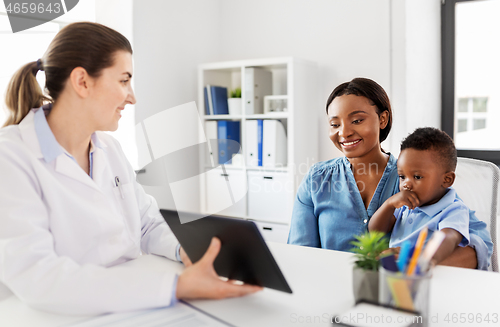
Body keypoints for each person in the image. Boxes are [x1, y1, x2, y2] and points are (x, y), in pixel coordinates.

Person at [0, 22, 261, 315]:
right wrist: (175, 287)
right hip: (56, 315)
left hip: (131, 299)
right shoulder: (11, 156)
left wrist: (187, 248)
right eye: (124, 81)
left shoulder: (109, 149)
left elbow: (146, 223)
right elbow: (39, 277)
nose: (132, 96)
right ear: (82, 82)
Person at [287, 77, 493, 270]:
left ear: (382, 119)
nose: (344, 132)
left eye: (357, 120)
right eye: (334, 124)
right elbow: (298, 253)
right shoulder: (318, 178)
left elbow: (478, 245)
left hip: (394, 294)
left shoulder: (413, 179)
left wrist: (415, 260)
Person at [368, 127, 469, 264]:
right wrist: (389, 204)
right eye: (402, 176)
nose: (406, 184)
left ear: (447, 180)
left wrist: (420, 256)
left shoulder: (454, 210)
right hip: (394, 270)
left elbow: (448, 239)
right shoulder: (405, 206)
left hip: (423, 273)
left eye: (417, 176)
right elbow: (375, 231)